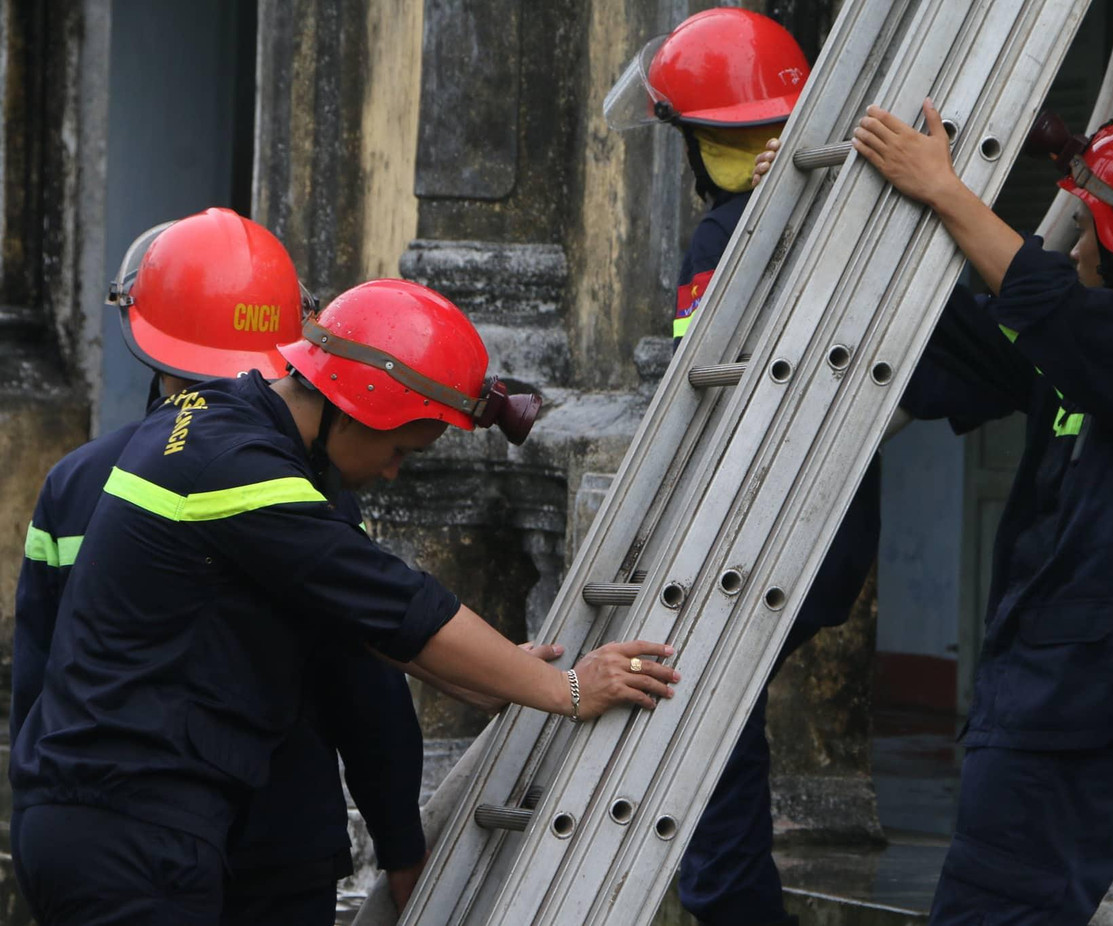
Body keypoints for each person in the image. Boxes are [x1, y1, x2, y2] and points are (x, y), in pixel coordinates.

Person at [10, 258, 679, 925]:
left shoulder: (209, 422)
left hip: (110, 819)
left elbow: (354, 623)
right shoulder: (242, 473)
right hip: (129, 832)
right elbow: (397, 605)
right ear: (359, 410)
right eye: (401, 451)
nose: (391, 473)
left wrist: (492, 680)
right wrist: (569, 690)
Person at [849, 101, 1113, 922]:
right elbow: (957, 337)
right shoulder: (1089, 351)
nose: (1073, 243)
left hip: (1083, 706)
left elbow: (1065, 318)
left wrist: (947, 191)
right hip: (1036, 696)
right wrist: (828, 216)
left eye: (1088, 223)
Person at [11, 208, 443, 924]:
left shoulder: (77, 483)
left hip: (128, 840)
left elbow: (43, 682)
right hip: (280, 849)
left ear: (144, 331)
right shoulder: (309, 488)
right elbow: (365, 678)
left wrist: (52, 830)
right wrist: (401, 842)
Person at [607, 12, 877, 926]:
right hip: (833, 526)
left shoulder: (726, 238)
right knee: (720, 708)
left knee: (695, 709)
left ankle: (733, 908)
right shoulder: (850, 214)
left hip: (759, 529)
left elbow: (705, 408)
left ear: (701, 142)